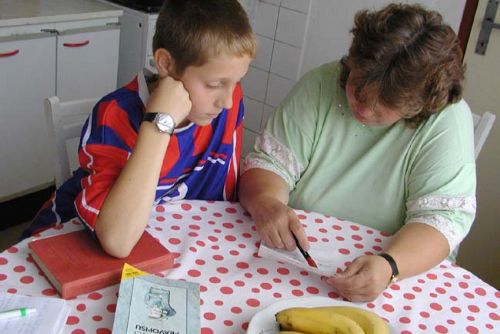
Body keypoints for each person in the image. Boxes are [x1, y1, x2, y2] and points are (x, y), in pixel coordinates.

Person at [239, 3, 475, 302]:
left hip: (397, 276)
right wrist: (265, 202)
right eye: (357, 88)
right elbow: (268, 164)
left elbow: (441, 220)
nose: (363, 108)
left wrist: (390, 266)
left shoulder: (446, 120)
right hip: (296, 256)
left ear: (421, 104)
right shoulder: (321, 84)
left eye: (385, 104)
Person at [22, 0, 257, 258]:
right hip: (64, 243)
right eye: (214, 84)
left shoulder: (225, 105)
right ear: (166, 64)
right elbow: (117, 241)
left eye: (236, 82)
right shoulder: (115, 114)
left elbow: (219, 203)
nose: (228, 101)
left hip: (158, 248)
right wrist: (159, 123)